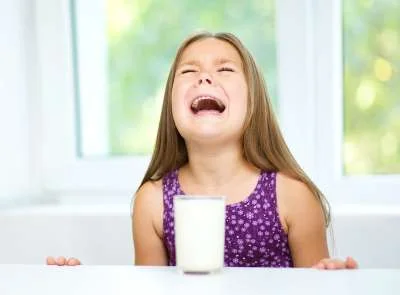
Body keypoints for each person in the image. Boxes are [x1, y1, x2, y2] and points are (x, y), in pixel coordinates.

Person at [47, 31, 357, 269]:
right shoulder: (152, 202)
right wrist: (81, 284)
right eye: (188, 72)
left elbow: (317, 286)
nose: (204, 77)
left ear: (253, 102)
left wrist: (333, 280)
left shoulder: (292, 195)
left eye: (225, 70)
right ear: (171, 105)